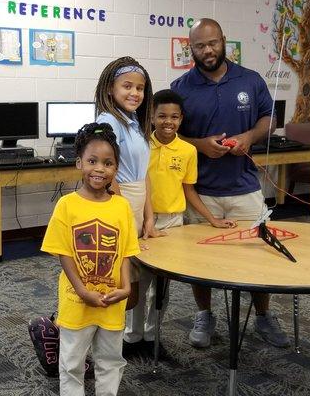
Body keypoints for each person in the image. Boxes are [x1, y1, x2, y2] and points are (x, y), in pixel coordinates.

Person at [171, 18, 290, 349]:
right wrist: (200, 145)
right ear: (190, 48)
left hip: (245, 189)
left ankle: (263, 316)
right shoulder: (181, 87)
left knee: (259, 257)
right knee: (200, 261)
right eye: (199, 46)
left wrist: (249, 137)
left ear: (224, 41)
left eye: (212, 43)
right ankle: (205, 315)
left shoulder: (250, 80)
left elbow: (270, 117)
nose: (207, 51)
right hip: (201, 193)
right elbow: (169, 133)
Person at [131, 89, 238, 357]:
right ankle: (132, 338)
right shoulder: (142, 145)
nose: (169, 121)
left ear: (181, 119)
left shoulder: (188, 151)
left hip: (173, 224)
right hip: (143, 222)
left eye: (175, 117)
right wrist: (144, 221)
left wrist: (212, 219)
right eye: (162, 116)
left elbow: (189, 190)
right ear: (152, 117)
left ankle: (153, 335)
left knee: (162, 287)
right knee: (139, 283)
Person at [41, 123, 140, 396]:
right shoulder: (67, 205)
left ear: (115, 169)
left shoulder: (121, 206)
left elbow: (126, 251)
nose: (100, 168)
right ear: (79, 163)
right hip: (77, 300)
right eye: (92, 161)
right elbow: (64, 253)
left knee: (110, 359)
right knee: (72, 361)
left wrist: (127, 287)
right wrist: (83, 291)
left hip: (111, 300)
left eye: (108, 163)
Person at [94, 56, 164, 357]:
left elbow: (143, 175)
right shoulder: (108, 121)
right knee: (116, 289)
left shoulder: (134, 123)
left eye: (140, 88)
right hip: (116, 210)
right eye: (127, 86)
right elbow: (108, 176)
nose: (135, 93)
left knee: (129, 293)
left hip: (135, 210)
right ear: (111, 89)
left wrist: (148, 220)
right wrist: (125, 221)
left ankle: (91, 344)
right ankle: (64, 332)